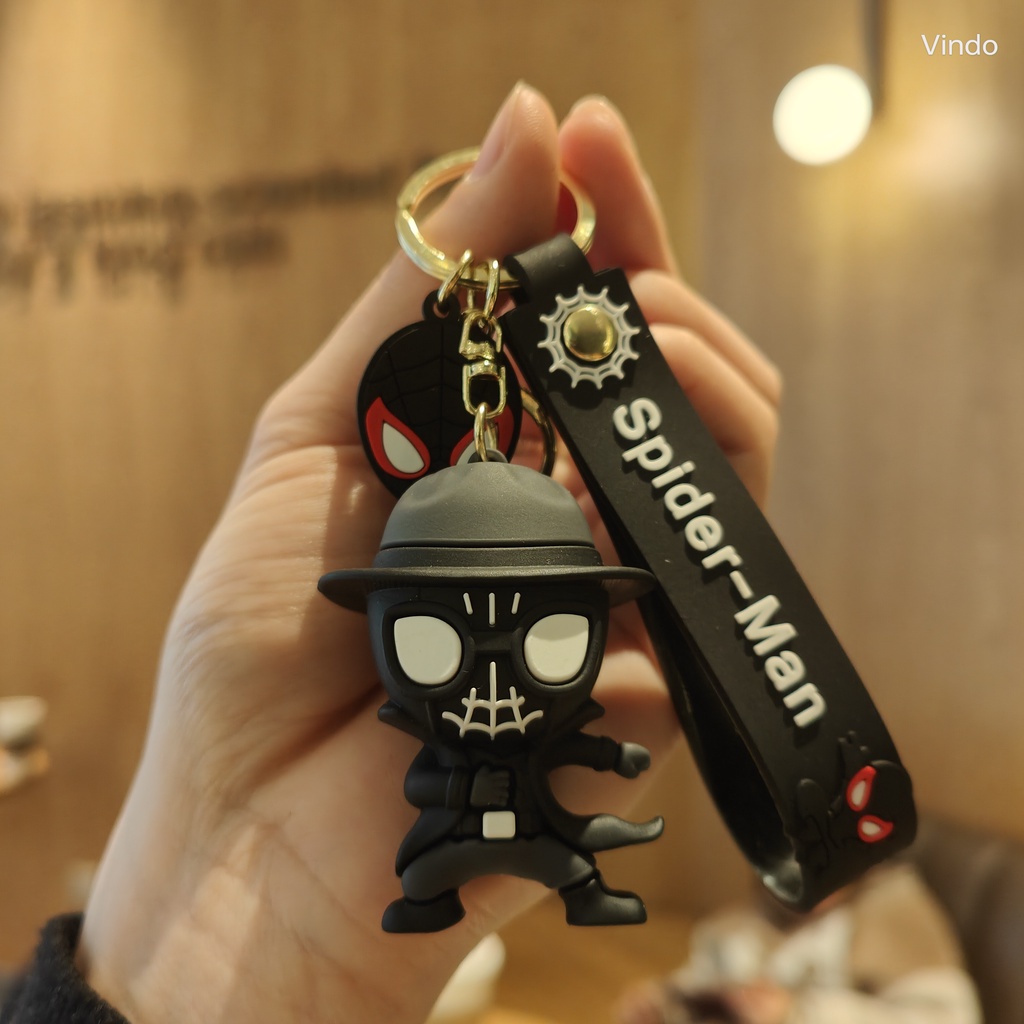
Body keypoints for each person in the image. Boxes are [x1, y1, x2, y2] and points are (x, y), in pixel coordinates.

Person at [0, 83, 781, 1024]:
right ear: (386, 623)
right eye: (434, 645)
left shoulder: (524, 724)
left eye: (546, 642)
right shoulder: (435, 755)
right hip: (436, 841)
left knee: (556, 851)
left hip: (516, 824)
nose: (492, 677)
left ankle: (567, 882)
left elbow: (577, 754)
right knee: (446, 858)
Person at [615, 863, 981, 1024]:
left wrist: (799, 1014)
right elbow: (716, 975)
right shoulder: (768, 907)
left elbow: (947, 1020)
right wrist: (667, 1002)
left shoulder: (892, 909)